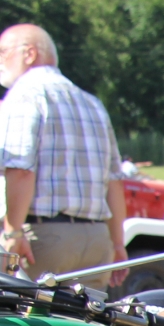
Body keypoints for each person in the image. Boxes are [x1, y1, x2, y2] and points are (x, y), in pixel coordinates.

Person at [0, 23, 128, 291]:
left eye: (3, 51)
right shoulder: (93, 103)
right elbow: (114, 181)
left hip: (45, 238)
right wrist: (117, 244)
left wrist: (13, 231)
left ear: (29, 53)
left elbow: (21, 169)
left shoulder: (24, 96)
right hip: (96, 241)